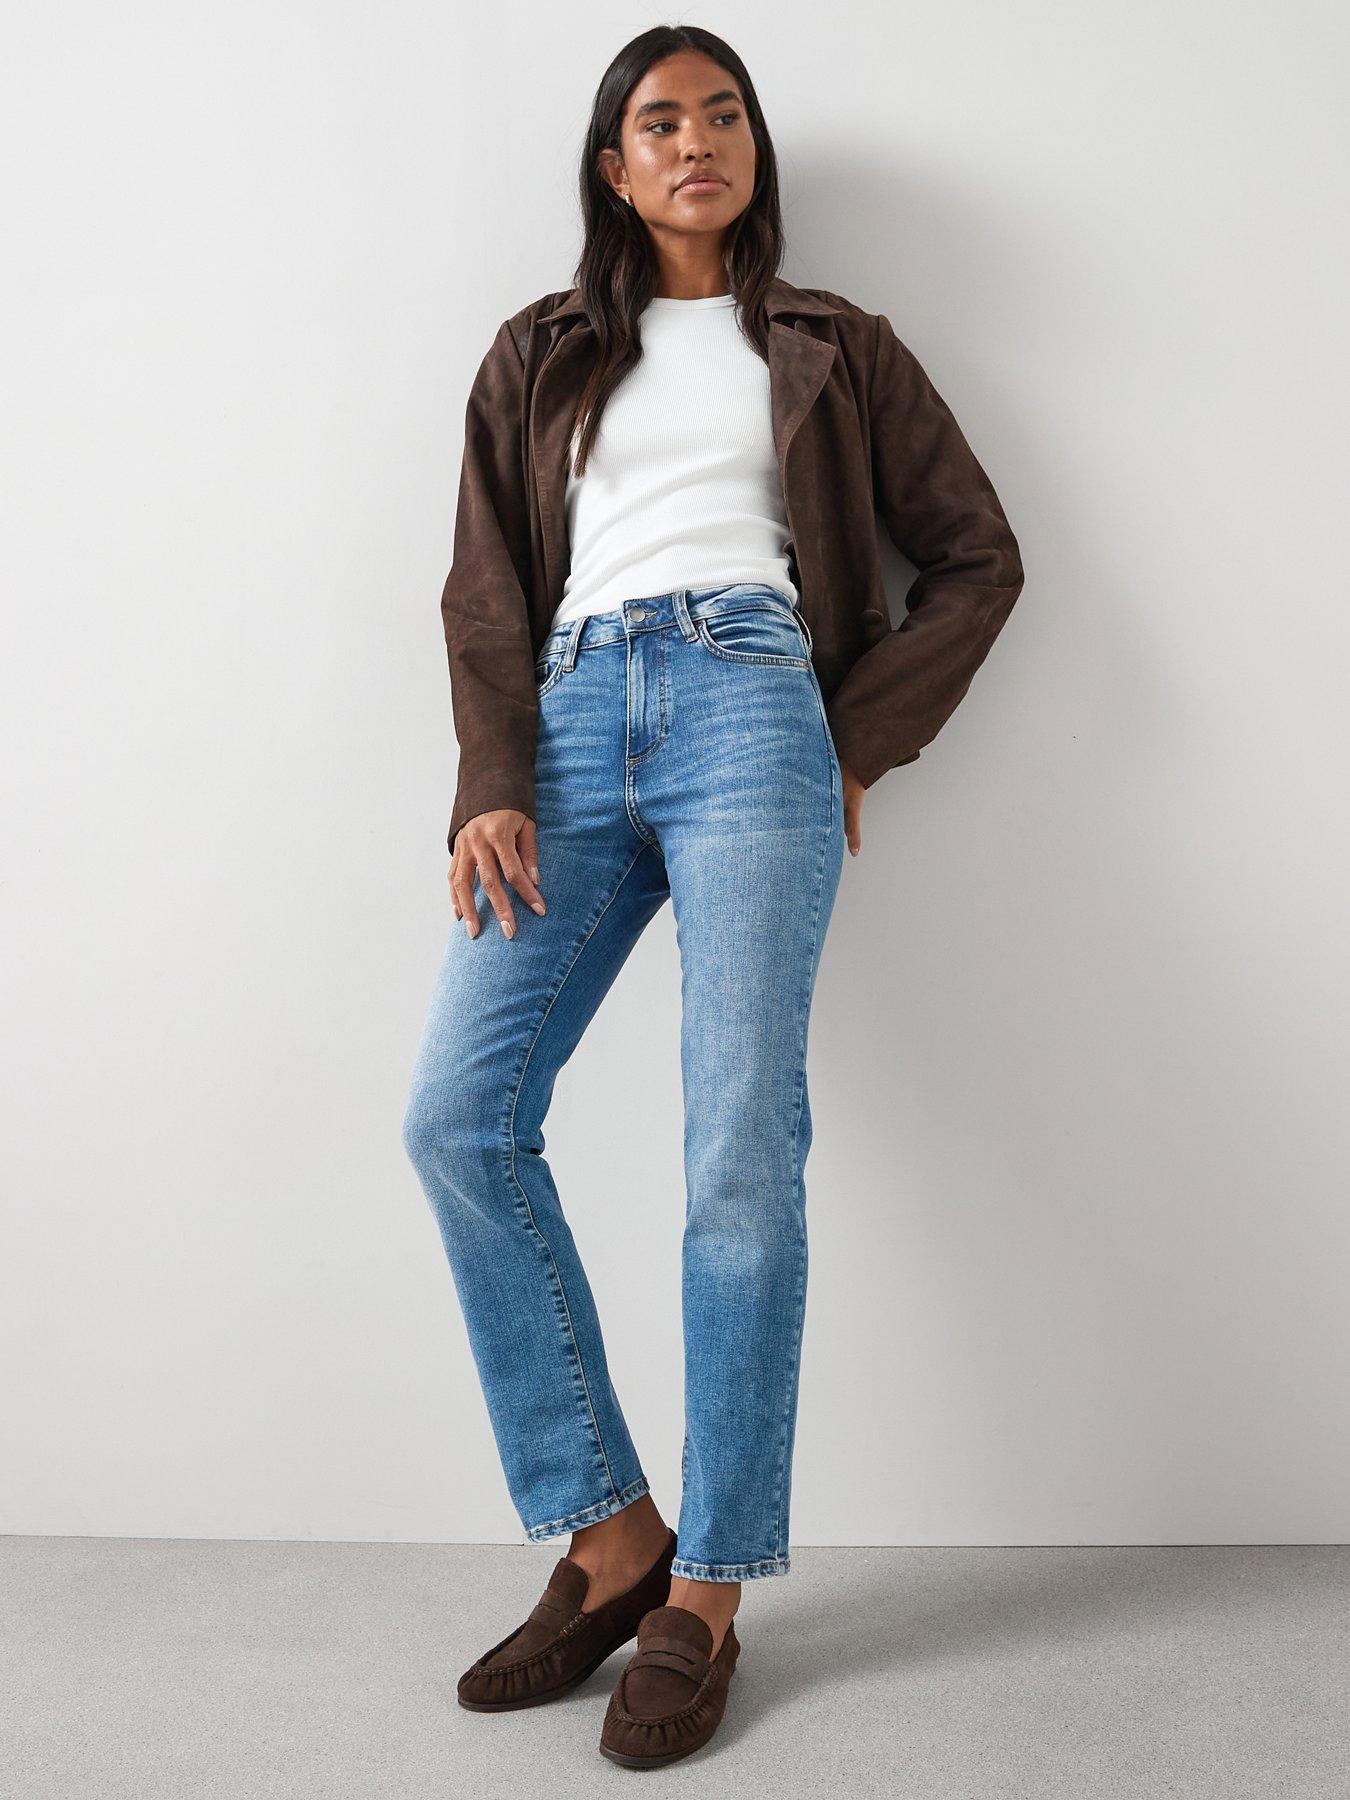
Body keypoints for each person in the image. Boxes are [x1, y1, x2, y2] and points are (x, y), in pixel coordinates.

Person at [402, 23, 1024, 1771]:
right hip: (567, 718)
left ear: (753, 149)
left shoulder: (834, 344)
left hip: (755, 707)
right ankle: (612, 1535)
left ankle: (710, 1590)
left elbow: (978, 558)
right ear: (613, 169)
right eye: (659, 122)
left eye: (723, 114)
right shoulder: (539, 350)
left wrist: (853, 739)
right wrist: (490, 778)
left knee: (738, 1147)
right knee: (457, 1119)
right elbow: (482, 588)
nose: (696, 142)